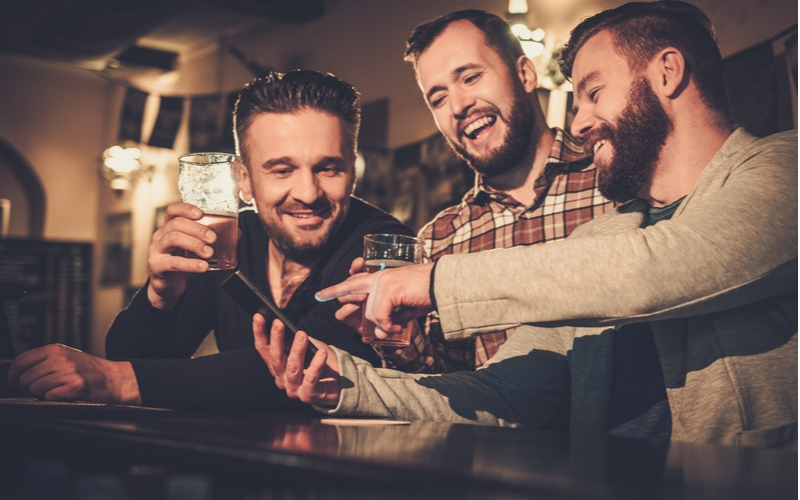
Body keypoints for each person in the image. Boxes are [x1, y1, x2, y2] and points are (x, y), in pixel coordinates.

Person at [259, 1, 797, 447]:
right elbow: (502, 394)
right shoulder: (603, 237)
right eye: (437, 96)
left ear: (667, 72)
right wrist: (346, 384)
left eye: (592, 91)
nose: (580, 119)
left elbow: (657, 269)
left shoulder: (786, 169)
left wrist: (432, 281)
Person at [8, 70, 414, 409]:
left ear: (353, 172)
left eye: (329, 168)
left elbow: (305, 369)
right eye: (281, 170)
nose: (308, 192)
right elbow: (134, 359)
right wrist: (160, 296)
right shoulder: (228, 240)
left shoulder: (382, 246)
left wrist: (114, 381)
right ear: (244, 180)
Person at [374, 10, 613, 374]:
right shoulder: (439, 240)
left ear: (525, 73)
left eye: (470, 77)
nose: (457, 106)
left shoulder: (615, 181)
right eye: (438, 99)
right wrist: (397, 338)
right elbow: (444, 382)